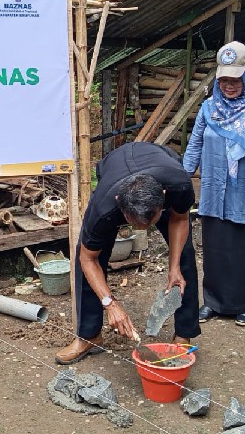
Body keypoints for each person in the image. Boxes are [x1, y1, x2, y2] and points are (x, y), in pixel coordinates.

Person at [55, 141, 200, 364]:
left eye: (147, 223)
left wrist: (174, 267)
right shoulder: (104, 206)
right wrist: (110, 304)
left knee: (184, 255)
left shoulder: (178, 184)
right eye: (134, 224)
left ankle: (184, 334)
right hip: (114, 170)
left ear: (163, 198)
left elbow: (180, 219)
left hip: (159, 163)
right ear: (118, 205)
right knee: (89, 256)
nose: (141, 230)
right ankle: (89, 335)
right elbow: (88, 258)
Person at [183, 41, 245, 327]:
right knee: (217, 248)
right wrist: (180, 178)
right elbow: (195, 143)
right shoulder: (209, 108)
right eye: (224, 78)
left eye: (235, 78)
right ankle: (214, 301)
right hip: (215, 190)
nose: (229, 84)